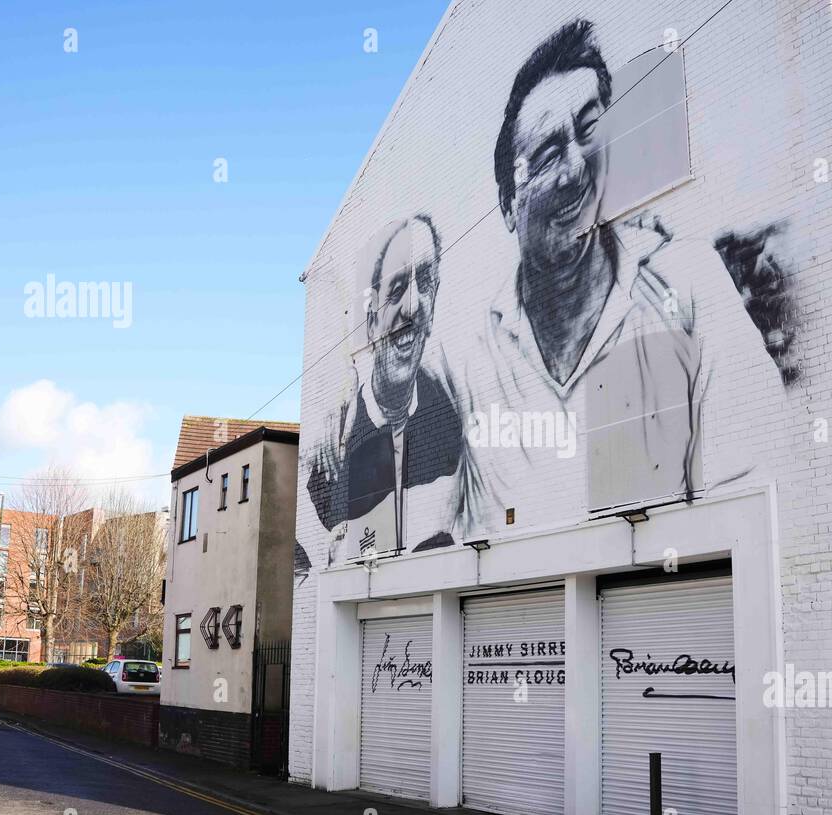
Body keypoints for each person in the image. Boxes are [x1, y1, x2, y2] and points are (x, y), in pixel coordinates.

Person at [452, 20, 792, 537]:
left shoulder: (689, 286)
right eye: (545, 156)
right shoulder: (476, 360)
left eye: (590, 132)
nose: (576, 170)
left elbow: (760, 491)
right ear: (507, 206)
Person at [307, 215, 462, 564]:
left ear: (434, 305)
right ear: (372, 318)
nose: (412, 305)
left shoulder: (451, 425)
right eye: (396, 290)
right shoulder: (331, 450)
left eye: (424, 284)